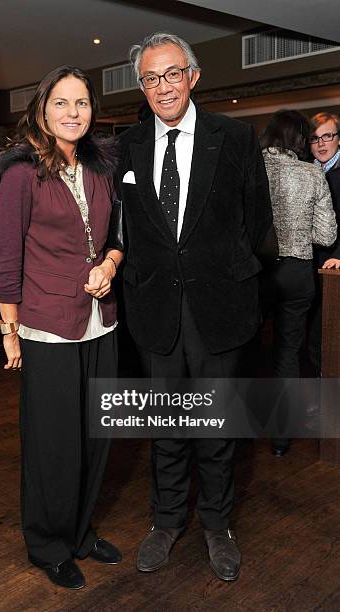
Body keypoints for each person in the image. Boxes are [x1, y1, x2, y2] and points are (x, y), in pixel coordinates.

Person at [117, 32, 274, 582]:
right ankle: (165, 521)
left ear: (193, 75)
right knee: (166, 426)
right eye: (151, 77)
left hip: (219, 310)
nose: (163, 86)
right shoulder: (129, 147)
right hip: (156, 312)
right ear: (143, 85)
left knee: (215, 427)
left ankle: (216, 524)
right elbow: (128, 232)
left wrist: (231, 278)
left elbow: (257, 226)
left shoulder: (234, 138)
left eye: (172, 73)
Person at [0, 65, 123, 590]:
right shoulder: (23, 174)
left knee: (96, 437)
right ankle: (48, 542)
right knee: (53, 445)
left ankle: (79, 531)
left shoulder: (97, 166)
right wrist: (9, 330)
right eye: (62, 103)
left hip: (100, 322)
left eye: (82, 103)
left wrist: (110, 265)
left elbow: (116, 232)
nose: (73, 113)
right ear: (42, 111)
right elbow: (5, 259)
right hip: (46, 326)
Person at [260, 110, 337, 454]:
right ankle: (280, 438)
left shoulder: (252, 167)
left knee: (242, 349)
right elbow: (327, 233)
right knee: (287, 354)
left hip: (258, 272)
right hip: (298, 273)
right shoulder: (312, 173)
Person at [307, 112, 340, 375]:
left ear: (338, 139)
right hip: (311, 266)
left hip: (336, 267)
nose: (321, 144)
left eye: (327, 136)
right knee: (315, 337)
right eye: (315, 138)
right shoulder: (307, 172)